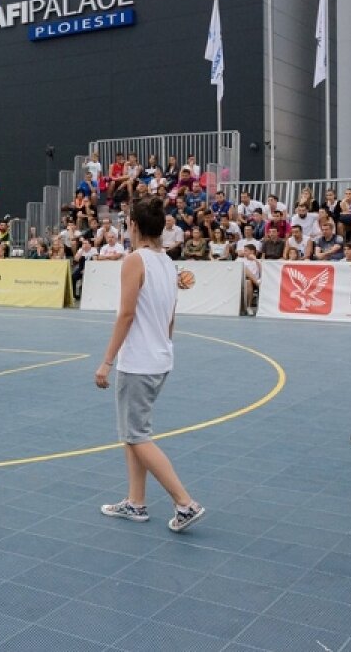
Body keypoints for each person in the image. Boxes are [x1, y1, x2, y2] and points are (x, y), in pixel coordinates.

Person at [96, 195, 205, 532]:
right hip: (159, 358)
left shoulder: (135, 261)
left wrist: (106, 361)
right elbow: (170, 315)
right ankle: (136, 501)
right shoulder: (167, 263)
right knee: (135, 434)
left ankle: (184, 502)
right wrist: (163, 344)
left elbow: (126, 314)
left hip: (139, 362)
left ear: (134, 225)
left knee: (137, 436)